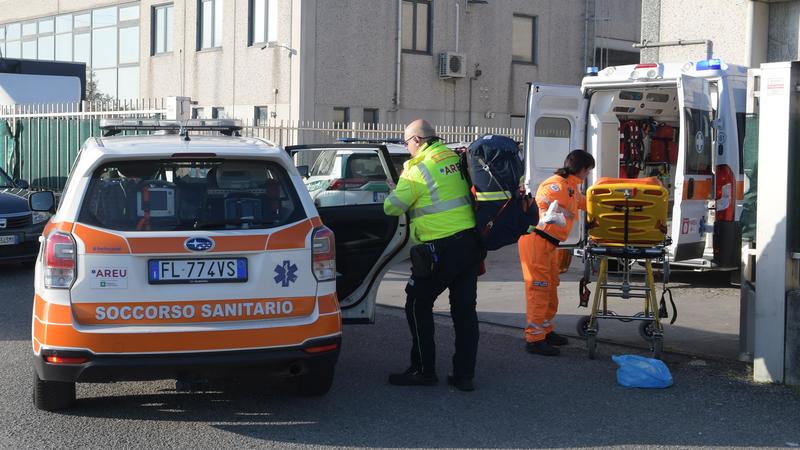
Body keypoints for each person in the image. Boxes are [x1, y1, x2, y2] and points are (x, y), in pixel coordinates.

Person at [383, 119, 485, 391]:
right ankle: (464, 376)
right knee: (464, 312)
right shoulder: (455, 158)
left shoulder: (418, 169)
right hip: (470, 246)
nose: (407, 149)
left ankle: (423, 370)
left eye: (406, 144)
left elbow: (392, 208)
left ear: (416, 140)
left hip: (440, 249)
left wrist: (393, 191)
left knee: (416, 305)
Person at [518, 150, 595, 356]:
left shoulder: (570, 186)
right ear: (581, 169)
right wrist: (560, 210)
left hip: (549, 245)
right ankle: (534, 339)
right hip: (536, 242)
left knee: (550, 287)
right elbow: (542, 203)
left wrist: (610, 204)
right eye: (588, 171)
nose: (588, 175)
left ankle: (545, 330)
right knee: (539, 289)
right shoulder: (556, 184)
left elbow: (583, 203)